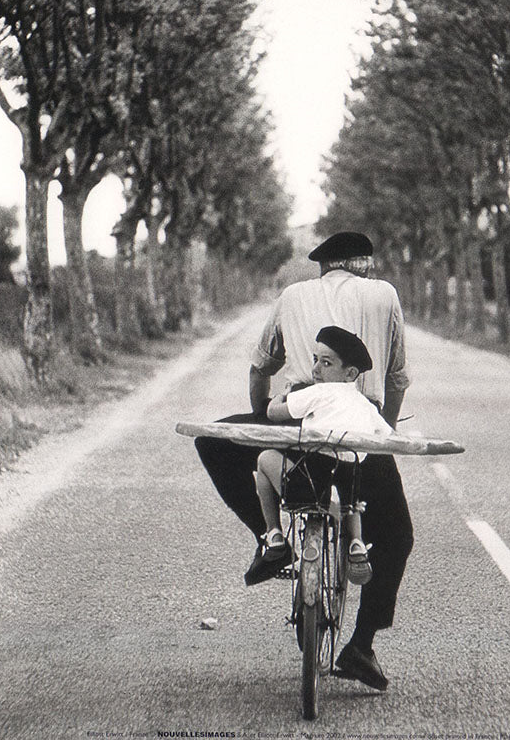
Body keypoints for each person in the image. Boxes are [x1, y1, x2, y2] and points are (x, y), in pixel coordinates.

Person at [195, 231, 414, 691]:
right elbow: (396, 380)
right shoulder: (384, 295)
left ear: (323, 267)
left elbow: (260, 368)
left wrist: (260, 421)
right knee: (396, 535)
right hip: (360, 431)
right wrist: (381, 435)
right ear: (365, 266)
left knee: (212, 441)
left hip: (296, 427)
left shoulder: (293, 295)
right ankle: (361, 646)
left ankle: (269, 536)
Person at [249, 325, 392, 587]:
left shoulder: (318, 392)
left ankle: (274, 534)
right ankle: (357, 543)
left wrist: (280, 396)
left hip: (310, 483)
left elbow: (274, 414)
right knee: (352, 487)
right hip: (348, 484)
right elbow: (388, 437)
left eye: (325, 363)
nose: (315, 370)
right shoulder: (365, 405)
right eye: (315, 360)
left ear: (350, 373)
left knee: (265, 457)